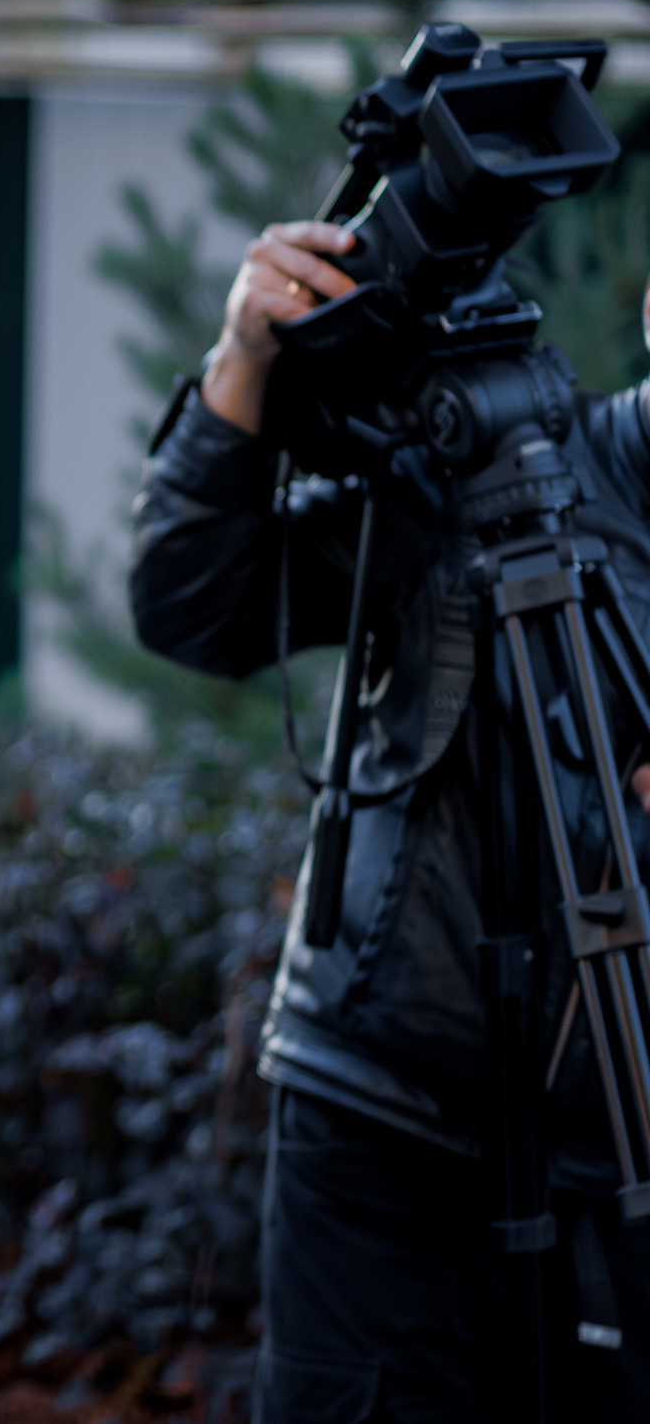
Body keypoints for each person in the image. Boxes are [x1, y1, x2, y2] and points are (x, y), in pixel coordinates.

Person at [131, 221, 650, 1419]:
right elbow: (191, 605)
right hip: (385, 1129)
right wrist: (243, 368)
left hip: (627, 1164)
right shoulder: (504, 466)